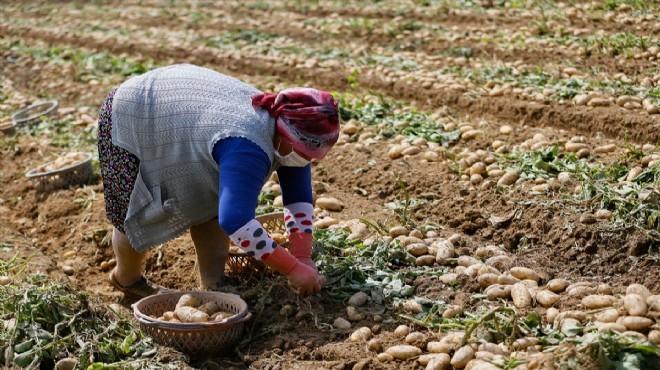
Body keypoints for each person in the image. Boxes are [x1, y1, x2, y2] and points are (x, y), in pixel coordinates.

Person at [97, 63, 340, 298]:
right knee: (134, 214)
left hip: (191, 109)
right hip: (134, 111)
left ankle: (214, 286)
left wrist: (304, 257)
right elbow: (236, 221)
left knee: (213, 201)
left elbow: (297, 198)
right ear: (286, 136)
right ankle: (127, 279)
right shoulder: (248, 147)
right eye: (306, 155)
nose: (309, 161)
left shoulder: (291, 133)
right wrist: (292, 269)